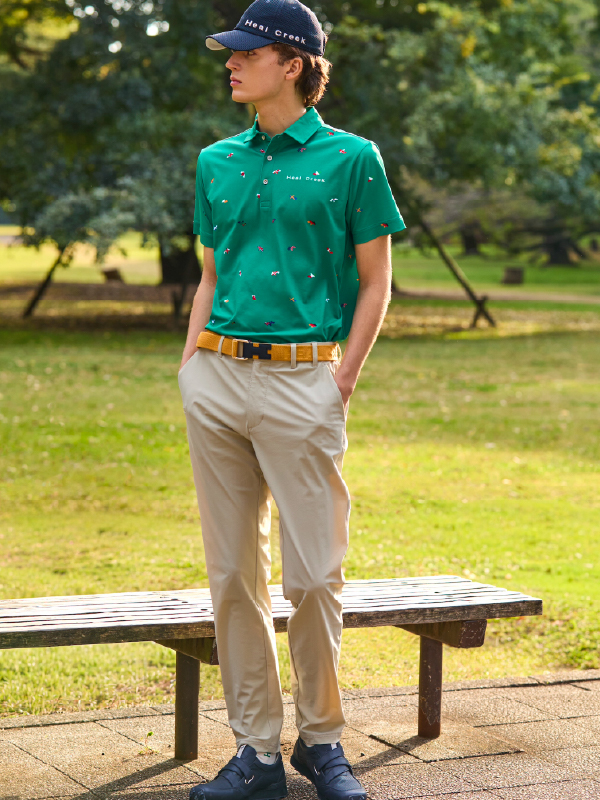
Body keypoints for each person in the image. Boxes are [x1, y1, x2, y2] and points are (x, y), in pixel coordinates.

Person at [178, 1, 405, 798]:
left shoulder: (353, 159)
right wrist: (190, 364)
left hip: (305, 380)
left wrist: (341, 379)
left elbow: (376, 281)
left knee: (313, 578)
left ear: (294, 63)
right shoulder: (216, 161)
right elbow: (211, 273)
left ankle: (322, 741)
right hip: (216, 380)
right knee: (233, 576)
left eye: (247, 53)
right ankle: (257, 752)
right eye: (231, 53)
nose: (231, 63)